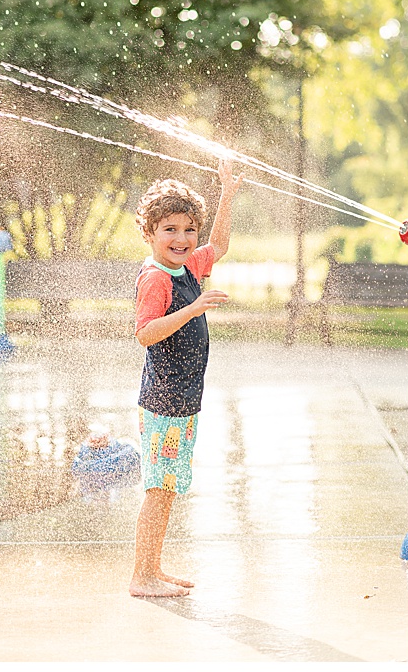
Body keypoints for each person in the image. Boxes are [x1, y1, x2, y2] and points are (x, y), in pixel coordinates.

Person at [129, 159, 243, 597]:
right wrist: (193, 309)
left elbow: (221, 245)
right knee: (159, 489)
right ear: (150, 233)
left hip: (182, 401)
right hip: (163, 401)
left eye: (188, 230)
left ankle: (152, 569)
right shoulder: (157, 278)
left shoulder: (187, 267)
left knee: (168, 487)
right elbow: (145, 333)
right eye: (170, 230)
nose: (182, 239)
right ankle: (142, 577)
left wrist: (227, 195)